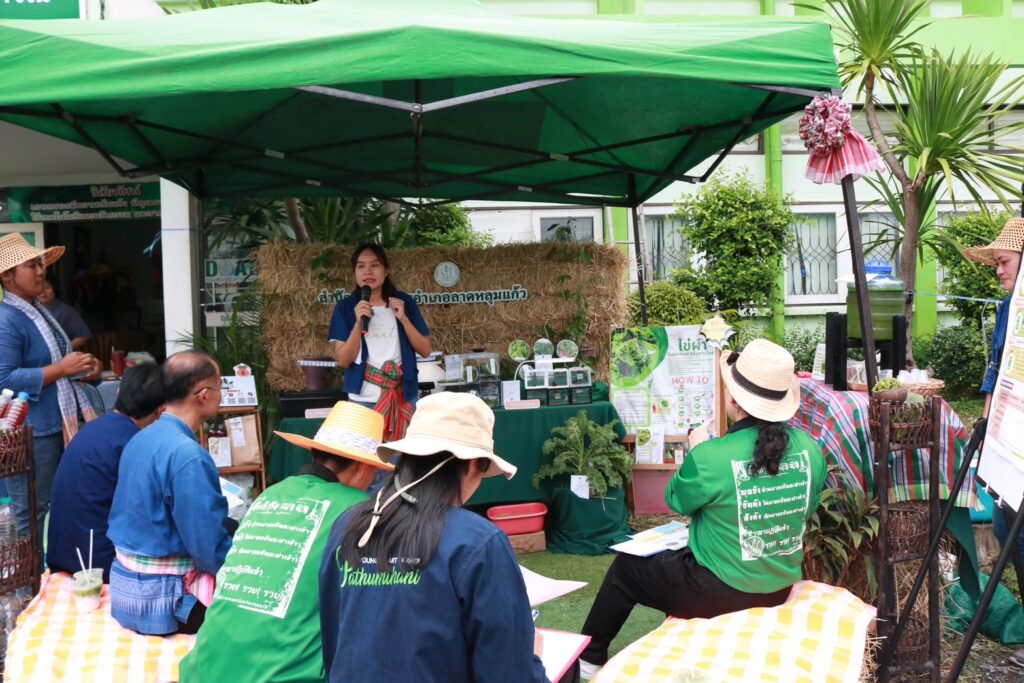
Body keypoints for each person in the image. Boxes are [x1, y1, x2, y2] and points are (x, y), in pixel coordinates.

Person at [578, 339, 827, 678]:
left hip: (719, 591)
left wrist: (696, 450)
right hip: (780, 587)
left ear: (734, 400)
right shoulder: (810, 449)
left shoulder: (711, 455)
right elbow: (806, 508)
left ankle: (590, 657)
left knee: (626, 569)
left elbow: (677, 501)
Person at [318, 393, 547, 683]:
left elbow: (334, 644)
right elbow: (508, 673)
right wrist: (532, 657)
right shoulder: (477, 541)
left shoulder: (347, 524)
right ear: (473, 464)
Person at [179, 402, 391, 683]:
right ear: (364, 467)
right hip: (284, 676)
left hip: (203, 669)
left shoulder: (270, 494)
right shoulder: (360, 511)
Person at [106, 350, 232, 635]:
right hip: (165, 602)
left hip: (124, 589)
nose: (221, 396)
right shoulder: (188, 455)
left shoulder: (141, 438)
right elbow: (209, 551)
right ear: (203, 395)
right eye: (219, 388)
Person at [0, 233, 101, 542]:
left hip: (53, 424)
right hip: (30, 430)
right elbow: (4, 379)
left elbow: (59, 363)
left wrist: (84, 368)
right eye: (32, 265)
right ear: (7, 276)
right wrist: (61, 369)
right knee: (31, 511)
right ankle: (28, 573)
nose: (41, 271)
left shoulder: (37, 312)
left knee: (55, 505)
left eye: (40, 264)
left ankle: (49, 568)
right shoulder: (7, 320)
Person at [962, 215, 1024, 668]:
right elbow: (997, 371)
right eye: (996, 262)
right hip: (1008, 434)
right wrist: (986, 423)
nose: (998, 270)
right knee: (1004, 525)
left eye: (1004, 261)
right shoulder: (1008, 309)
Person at [47, 363, 166, 583]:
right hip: (98, 565)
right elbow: (148, 513)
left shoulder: (92, 428)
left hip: (61, 554)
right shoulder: (133, 442)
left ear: (119, 393)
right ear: (161, 410)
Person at [329, 243, 431, 442]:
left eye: (374, 265)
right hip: (362, 402)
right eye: (361, 266)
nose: (367, 271)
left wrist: (404, 319)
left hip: (403, 397)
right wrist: (358, 323)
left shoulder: (404, 302)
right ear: (355, 272)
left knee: (401, 458)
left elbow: (426, 349)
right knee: (364, 459)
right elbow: (343, 360)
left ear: (386, 271)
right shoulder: (346, 307)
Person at [36, 278, 92, 351]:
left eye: (47, 288)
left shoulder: (67, 311)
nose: (43, 292)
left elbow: (83, 336)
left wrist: (64, 350)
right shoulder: (32, 311)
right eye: (39, 288)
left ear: (54, 290)